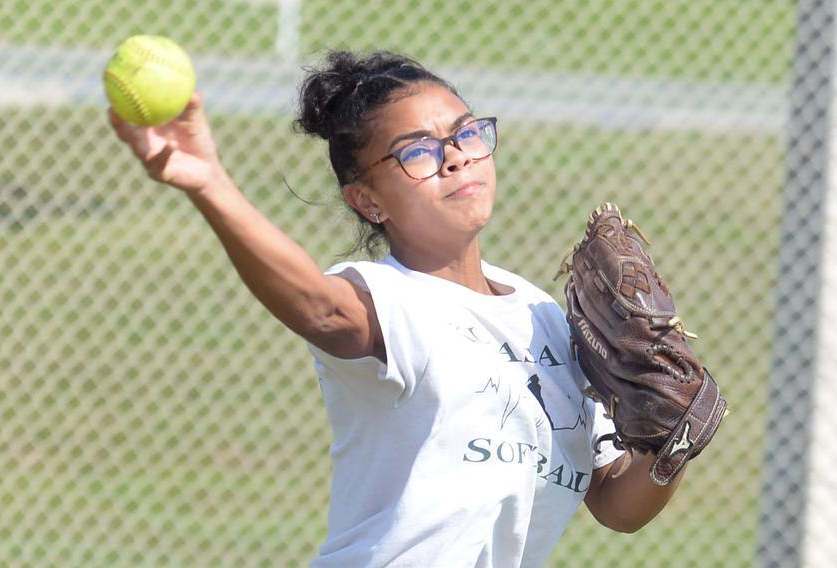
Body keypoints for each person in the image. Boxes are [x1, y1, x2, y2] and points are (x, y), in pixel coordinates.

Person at [109, 50, 686, 568]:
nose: (455, 157)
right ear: (367, 200)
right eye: (417, 152)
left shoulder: (547, 319)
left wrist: (674, 440)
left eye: (466, 134)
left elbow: (617, 503)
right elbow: (321, 311)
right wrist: (208, 182)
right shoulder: (387, 298)